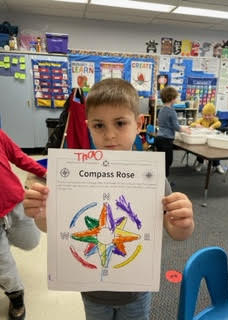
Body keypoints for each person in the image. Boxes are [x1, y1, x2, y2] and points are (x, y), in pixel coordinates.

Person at [23, 78, 194, 320]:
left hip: (136, 289)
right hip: (92, 290)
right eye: (99, 125)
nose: (110, 135)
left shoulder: (153, 178)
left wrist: (183, 223)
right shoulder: (75, 176)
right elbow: (53, 228)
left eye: (120, 123)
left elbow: (177, 233)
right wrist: (41, 214)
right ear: (88, 127)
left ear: (138, 123)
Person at [0, 129, 47, 320]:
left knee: (31, 240)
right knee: (4, 263)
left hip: (15, 201)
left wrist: (46, 173)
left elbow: (18, 157)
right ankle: (15, 295)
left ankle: (5, 240)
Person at [155, 86, 191, 177]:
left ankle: (160, 181)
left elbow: (162, 123)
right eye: (176, 97)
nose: (177, 99)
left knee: (160, 162)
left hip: (159, 138)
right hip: (166, 140)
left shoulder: (161, 110)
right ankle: (164, 184)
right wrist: (185, 130)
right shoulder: (172, 111)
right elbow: (176, 127)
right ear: (171, 99)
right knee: (167, 162)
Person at [190, 102, 224, 174]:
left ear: (213, 114)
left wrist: (212, 126)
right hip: (203, 140)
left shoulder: (214, 119)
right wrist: (197, 125)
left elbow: (219, 123)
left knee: (215, 151)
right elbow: (192, 124)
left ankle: (217, 165)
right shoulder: (202, 119)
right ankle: (200, 163)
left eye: (209, 115)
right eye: (205, 115)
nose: (207, 117)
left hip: (213, 140)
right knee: (200, 150)